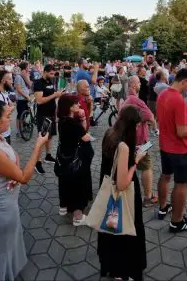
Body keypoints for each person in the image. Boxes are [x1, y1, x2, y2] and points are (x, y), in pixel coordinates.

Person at [0, 95, 51, 280]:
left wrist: (12, 173)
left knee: (7, 242)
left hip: (7, 201)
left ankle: (10, 270)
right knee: (3, 247)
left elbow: (14, 156)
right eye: (7, 116)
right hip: (2, 207)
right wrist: (37, 146)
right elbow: (24, 177)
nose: (10, 119)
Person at [97, 107, 148, 280]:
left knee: (112, 231)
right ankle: (125, 271)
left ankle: (113, 268)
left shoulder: (110, 133)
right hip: (123, 196)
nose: (139, 129)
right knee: (126, 230)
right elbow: (122, 183)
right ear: (132, 125)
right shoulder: (124, 146)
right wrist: (136, 161)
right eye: (138, 126)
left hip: (106, 192)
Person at [156, 69, 187, 232]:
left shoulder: (163, 94)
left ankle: (163, 208)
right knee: (182, 184)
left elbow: (166, 117)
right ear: (183, 81)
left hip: (165, 146)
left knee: (165, 176)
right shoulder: (179, 100)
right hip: (180, 150)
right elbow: (182, 132)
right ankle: (177, 221)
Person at [56, 94, 93, 225]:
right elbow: (85, 136)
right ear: (69, 107)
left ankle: (64, 206)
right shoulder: (71, 123)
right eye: (76, 104)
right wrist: (83, 120)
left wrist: (82, 119)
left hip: (65, 158)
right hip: (75, 159)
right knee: (77, 184)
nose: (79, 105)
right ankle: (78, 216)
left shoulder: (62, 120)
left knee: (66, 182)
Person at [123, 75, 159, 206]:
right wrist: (155, 130)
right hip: (140, 141)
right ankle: (148, 198)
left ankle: (126, 193)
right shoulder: (136, 100)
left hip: (128, 140)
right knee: (147, 167)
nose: (140, 85)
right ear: (133, 85)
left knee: (129, 166)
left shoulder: (126, 100)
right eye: (138, 83)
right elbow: (150, 117)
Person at [33, 64, 62, 172]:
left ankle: (48, 155)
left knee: (49, 137)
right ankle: (37, 162)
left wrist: (55, 114)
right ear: (45, 71)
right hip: (43, 115)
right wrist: (55, 95)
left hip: (51, 114)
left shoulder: (50, 81)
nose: (53, 75)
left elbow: (52, 99)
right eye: (51, 73)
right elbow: (39, 101)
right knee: (41, 139)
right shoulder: (38, 83)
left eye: (54, 73)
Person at [13, 62, 31, 138]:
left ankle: (24, 127)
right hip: (21, 99)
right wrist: (27, 96)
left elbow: (29, 86)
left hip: (26, 98)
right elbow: (19, 89)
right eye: (28, 66)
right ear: (25, 67)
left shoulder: (26, 75)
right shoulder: (18, 77)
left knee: (26, 114)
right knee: (20, 115)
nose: (29, 68)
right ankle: (18, 130)